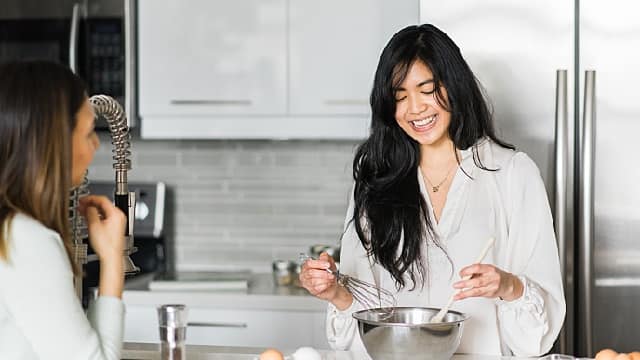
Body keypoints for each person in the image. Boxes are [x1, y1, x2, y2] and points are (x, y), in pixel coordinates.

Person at [300, 24, 565, 356]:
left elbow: (536, 338)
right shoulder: (376, 179)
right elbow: (367, 314)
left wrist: (507, 286)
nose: (414, 108)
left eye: (427, 90)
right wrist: (333, 291)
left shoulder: (512, 174)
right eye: (400, 96)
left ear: (454, 87)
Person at [0, 61, 126, 359]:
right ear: (53, 143)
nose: (96, 144)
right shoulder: (24, 240)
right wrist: (112, 260)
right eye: (87, 133)